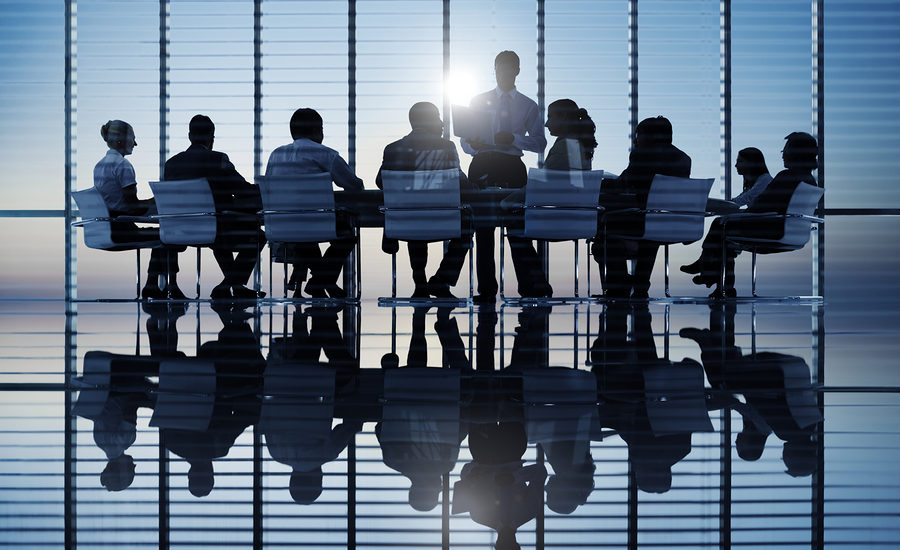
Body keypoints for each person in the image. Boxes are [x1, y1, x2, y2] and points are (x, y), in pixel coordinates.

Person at [683, 132, 819, 297]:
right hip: (792, 233)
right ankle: (719, 282)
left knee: (720, 224)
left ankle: (709, 271)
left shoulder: (787, 176)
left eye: (785, 150)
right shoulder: (810, 180)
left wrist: (743, 214)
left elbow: (761, 205)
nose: (783, 155)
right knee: (725, 236)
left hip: (772, 230)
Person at [461, 50, 548, 301]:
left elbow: (540, 143)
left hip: (512, 165)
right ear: (495, 69)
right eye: (499, 67)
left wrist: (514, 139)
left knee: (518, 226)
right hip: (482, 163)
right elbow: (464, 142)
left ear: (517, 70)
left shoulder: (528, 106)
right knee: (483, 229)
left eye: (508, 67)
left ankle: (529, 288)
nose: (503, 72)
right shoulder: (478, 101)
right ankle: (486, 290)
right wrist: (474, 144)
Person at [375, 102, 473, 299]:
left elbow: (381, 181)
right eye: (437, 117)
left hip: (405, 222)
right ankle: (442, 280)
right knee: (468, 223)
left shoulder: (393, 149)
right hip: (443, 219)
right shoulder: (446, 147)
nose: (442, 123)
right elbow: (460, 181)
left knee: (415, 218)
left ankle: (420, 282)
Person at [265, 108, 364, 299]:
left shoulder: (275, 155)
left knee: (305, 236)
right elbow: (354, 185)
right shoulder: (326, 154)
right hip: (316, 223)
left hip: (281, 225)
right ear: (317, 130)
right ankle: (321, 281)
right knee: (346, 235)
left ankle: (320, 283)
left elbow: (269, 187)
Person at [164, 115, 265, 299]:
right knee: (258, 236)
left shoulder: (171, 164)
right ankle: (228, 284)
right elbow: (241, 189)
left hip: (180, 230)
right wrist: (265, 189)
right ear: (211, 137)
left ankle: (235, 287)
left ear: (189, 136)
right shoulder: (218, 159)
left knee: (219, 230)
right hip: (215, 228)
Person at [591, 116, 691, 299]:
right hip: (673, 222)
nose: (636, 140)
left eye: (638, 135)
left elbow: (623, 184)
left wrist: (598, 183)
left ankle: (619, 286)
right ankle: (640, 285)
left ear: (649, 136)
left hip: (644, 220)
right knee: (651, 228)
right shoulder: (684, 158)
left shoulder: (642, 154)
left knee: (604, 230)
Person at [93, 120, 184, 299]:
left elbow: (120, 204)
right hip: (122, 229)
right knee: (170, 236)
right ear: (121, 139)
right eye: (132, 138)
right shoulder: (123, 165)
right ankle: (167, 287)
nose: (135, 143)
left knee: (164, 235)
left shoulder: (99, 165)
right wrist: (156, 201)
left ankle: (153, 285)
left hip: (106, 228)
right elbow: (133, 208)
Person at [543, 98, 597, 171]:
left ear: (563, 116)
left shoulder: (564, 146)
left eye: (550, 117)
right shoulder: (580, 144)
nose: (546, 124)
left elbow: (546, 176)